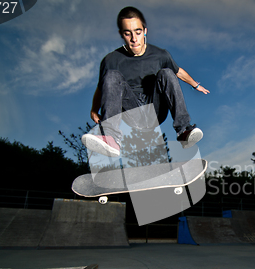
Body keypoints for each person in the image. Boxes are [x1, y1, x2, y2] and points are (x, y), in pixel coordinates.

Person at [82, 6, 209, 157]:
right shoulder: (111, 60)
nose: (134, 39)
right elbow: (102, 87)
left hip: (155, 109)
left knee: (167, 73)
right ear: (121, 34)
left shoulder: (160, 55)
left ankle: (183, 132)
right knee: (111, 76)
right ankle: (111, 138)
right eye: (127, 34)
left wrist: (196, 85)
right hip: (131, 112)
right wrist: (94, 109)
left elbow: (178, 71)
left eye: (138, 32)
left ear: (145, 31)